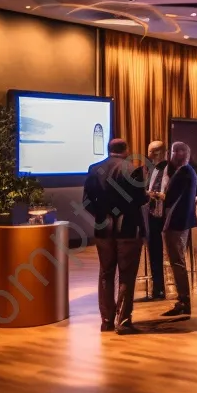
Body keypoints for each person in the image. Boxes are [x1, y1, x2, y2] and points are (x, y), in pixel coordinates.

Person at [83, 138, 149, 334]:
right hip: (128, 229)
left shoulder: (94, 169)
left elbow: (86, 202)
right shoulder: (133, 169)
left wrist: (102, 216)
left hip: (103, 229)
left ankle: (106, 320)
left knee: (105, 273)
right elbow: (140, 200)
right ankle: (124, 320)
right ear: (126, 150)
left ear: (108, 149)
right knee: (127, 275)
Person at [161, 141, 197, 318]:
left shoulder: (183, 171)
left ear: (182, 153)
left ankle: (184, 301)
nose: (172, 154)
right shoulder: (188, 170)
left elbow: (169, 198)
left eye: (175, 151)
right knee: (177, 262)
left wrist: (154, 195)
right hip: (180, 222)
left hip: (175, 222)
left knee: (177, 262)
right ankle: (183, 300)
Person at [142, 139, 168, 302]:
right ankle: (157, 289)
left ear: (159, 152)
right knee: (154, 252)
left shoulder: (169, 169)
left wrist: (155, 195)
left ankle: (165, 290)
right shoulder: (150, 169)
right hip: (152, 214)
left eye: (151, 151)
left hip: (165, 216)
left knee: (168, 254)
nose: (149, 154)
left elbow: (167, 192)